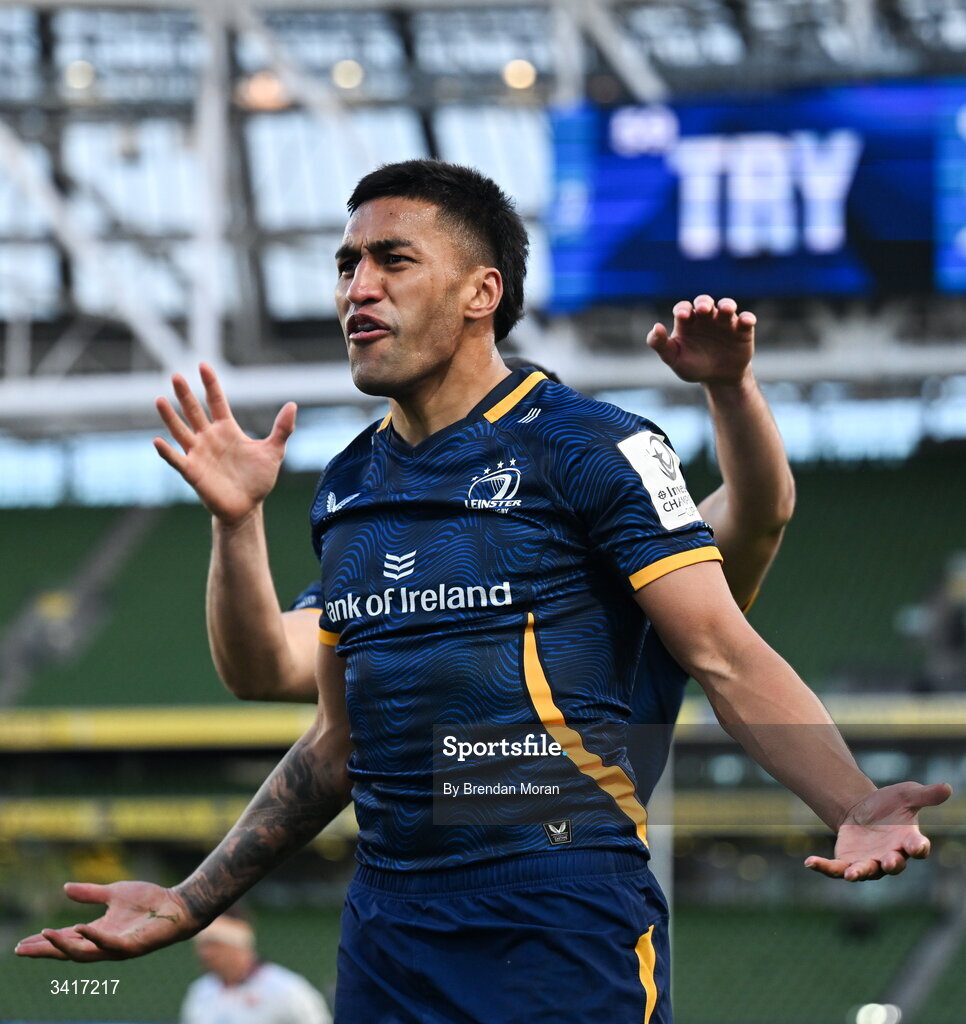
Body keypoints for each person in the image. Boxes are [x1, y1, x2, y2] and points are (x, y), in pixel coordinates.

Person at [16, 160, 950, 1024]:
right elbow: (331, 739)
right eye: (347, 265)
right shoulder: (347, 489)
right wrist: (191, 898)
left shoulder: (594, 448)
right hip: (387, 932)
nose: (357, 288)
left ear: (481, 293)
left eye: (392, 260)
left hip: (557, 912)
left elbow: (722, 647)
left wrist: (852, 801)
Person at [201, 300, 795, 807]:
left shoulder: (644, 563)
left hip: (575, 888)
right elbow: (267, 665)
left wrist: (730, 388)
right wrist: (236, 523)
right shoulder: (404, 578)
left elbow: (758, 511)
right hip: (416, 893)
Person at [180, 912, 332, 1024]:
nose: (204, 954)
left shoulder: (288, 989)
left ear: (239, 945)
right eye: (200, 946)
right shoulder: (200, 992)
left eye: (213, 944)